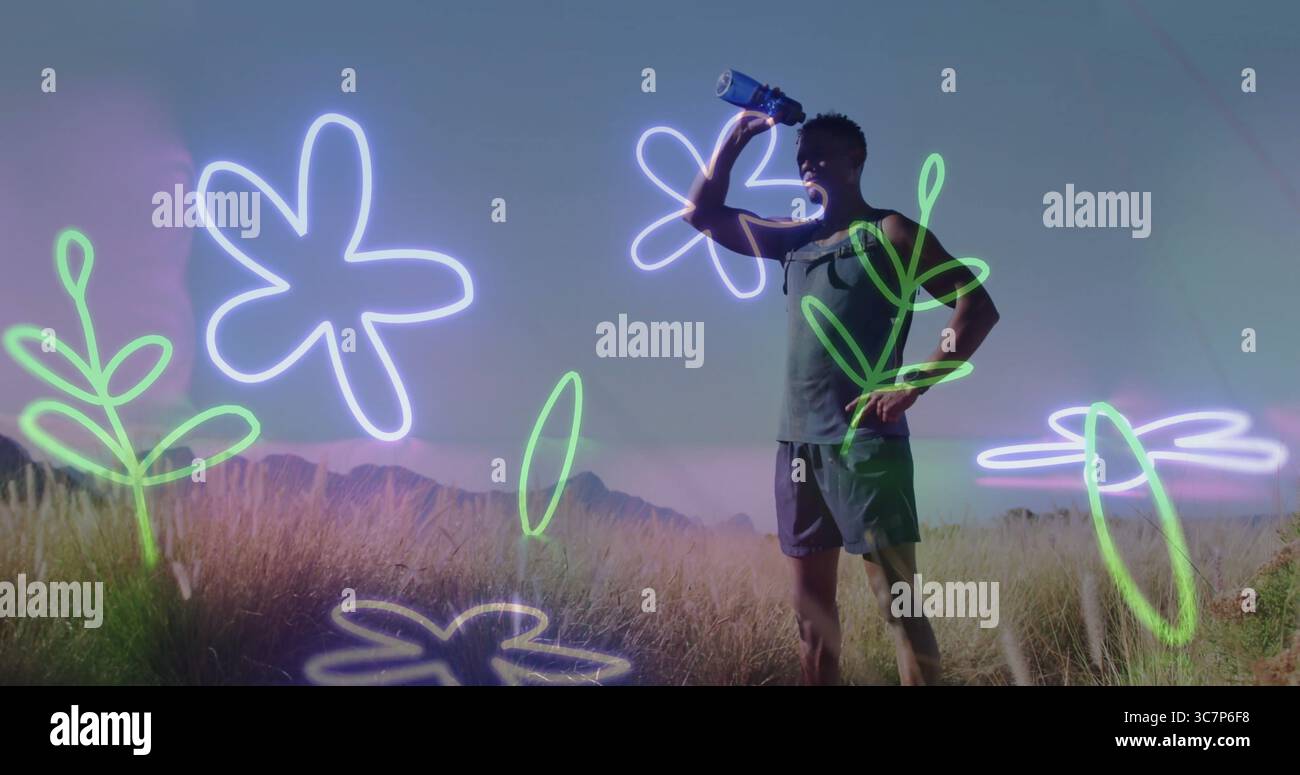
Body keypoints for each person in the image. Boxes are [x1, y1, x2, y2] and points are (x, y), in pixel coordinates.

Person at [682, 90, 1000, 685]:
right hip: (797, 447)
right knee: (812, 624)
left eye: (822, 155)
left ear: (856, 162)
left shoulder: (891, 232)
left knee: (899, 610)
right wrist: (736, 138)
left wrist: (914, 383)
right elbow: (701, 214)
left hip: (868, 444)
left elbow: (976, 306)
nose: (808, 164)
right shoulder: (794, 240)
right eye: (802, 156)